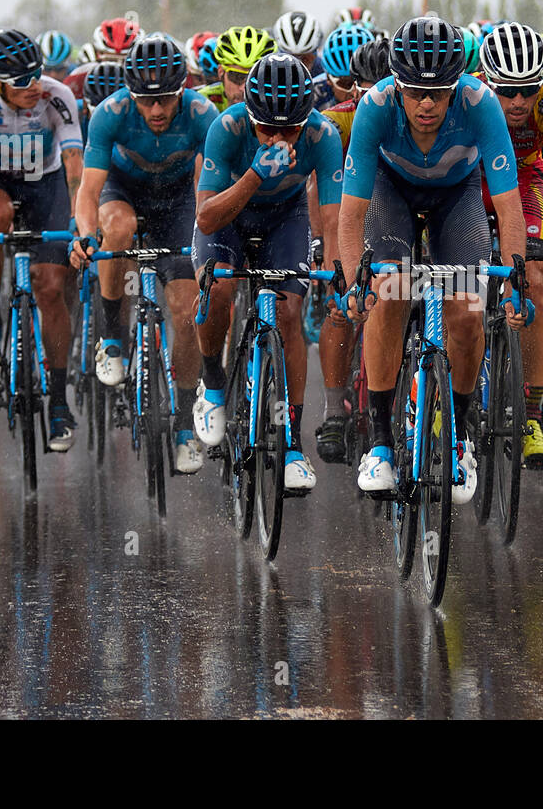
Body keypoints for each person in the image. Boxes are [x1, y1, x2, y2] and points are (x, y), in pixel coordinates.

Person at [338, 16, 528, 503]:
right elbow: (351, 212)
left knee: (466, 312)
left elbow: (508, 205)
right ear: (396, 85)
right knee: (390, 293)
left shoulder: (480, 103)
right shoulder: (376, 106)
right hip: (391, 192)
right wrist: (352, 280)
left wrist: (515, 281)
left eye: (439, 93)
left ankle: (460, 435)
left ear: (456, 85)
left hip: (456, 196)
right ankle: (380, 443)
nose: (427, 104)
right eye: (416, 92)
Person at [190, 52, 343, 492]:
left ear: (305, 119)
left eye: (288, 129)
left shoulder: (322, 134)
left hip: (285, 218)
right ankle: (214, 385)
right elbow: (206, 218)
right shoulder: (228, 127)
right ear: (251, 116)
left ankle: (293, 443)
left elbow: (332, 220)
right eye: (267, 129)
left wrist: (338, 278)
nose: (278, 138)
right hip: (229, 216)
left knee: (289, 312)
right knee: (216, 286)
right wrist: (256, 173)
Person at [70, 35, 216, 474]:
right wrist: (84, 236)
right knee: (116, 228)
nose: (156, 111)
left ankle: (185, 424)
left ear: (182, 90)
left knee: (188, 316)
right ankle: (112, 337)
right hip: (123, 191)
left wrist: (206, 242)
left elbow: (206, 188)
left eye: (166, 100)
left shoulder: (201, 115)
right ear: (131, 95)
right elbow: (88, 190)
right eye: (146, 101)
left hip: (177, 201)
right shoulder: (110, 113)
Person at [0, 28, 84, 450]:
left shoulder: (58, 96)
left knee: (50, 289)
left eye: (38, 74)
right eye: (23, 80)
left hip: (46, 184)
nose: (35, 86)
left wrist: (82, 220)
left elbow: (76, 167)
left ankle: (59, 402)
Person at [478, 22, 543, 465]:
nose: (518, 101)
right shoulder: (469, 98)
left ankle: (532, 414)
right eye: (507, 90)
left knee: (537, 279)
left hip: (523, 180)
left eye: (527, 89)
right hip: (469, 177)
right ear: (486, 81)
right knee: (456, 281)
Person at [314, 38, 390, 462]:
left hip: (397, 211)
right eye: (361, 88)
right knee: (341, 305)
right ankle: (333, 411)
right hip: (347, 213)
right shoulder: (336, 122)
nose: (371, 97)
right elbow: (318, 188)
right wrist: (324, 247)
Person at [195, 26, 276, 113]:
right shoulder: (201, 101)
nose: (243, 88)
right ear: (221, 72)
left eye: (255, 79)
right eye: (237, 77)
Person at [271, 10, 325, 76]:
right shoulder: (268, 69)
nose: (298, 65)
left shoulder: (324, 71)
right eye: (290, 58)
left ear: (315, 53)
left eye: (305, 59)